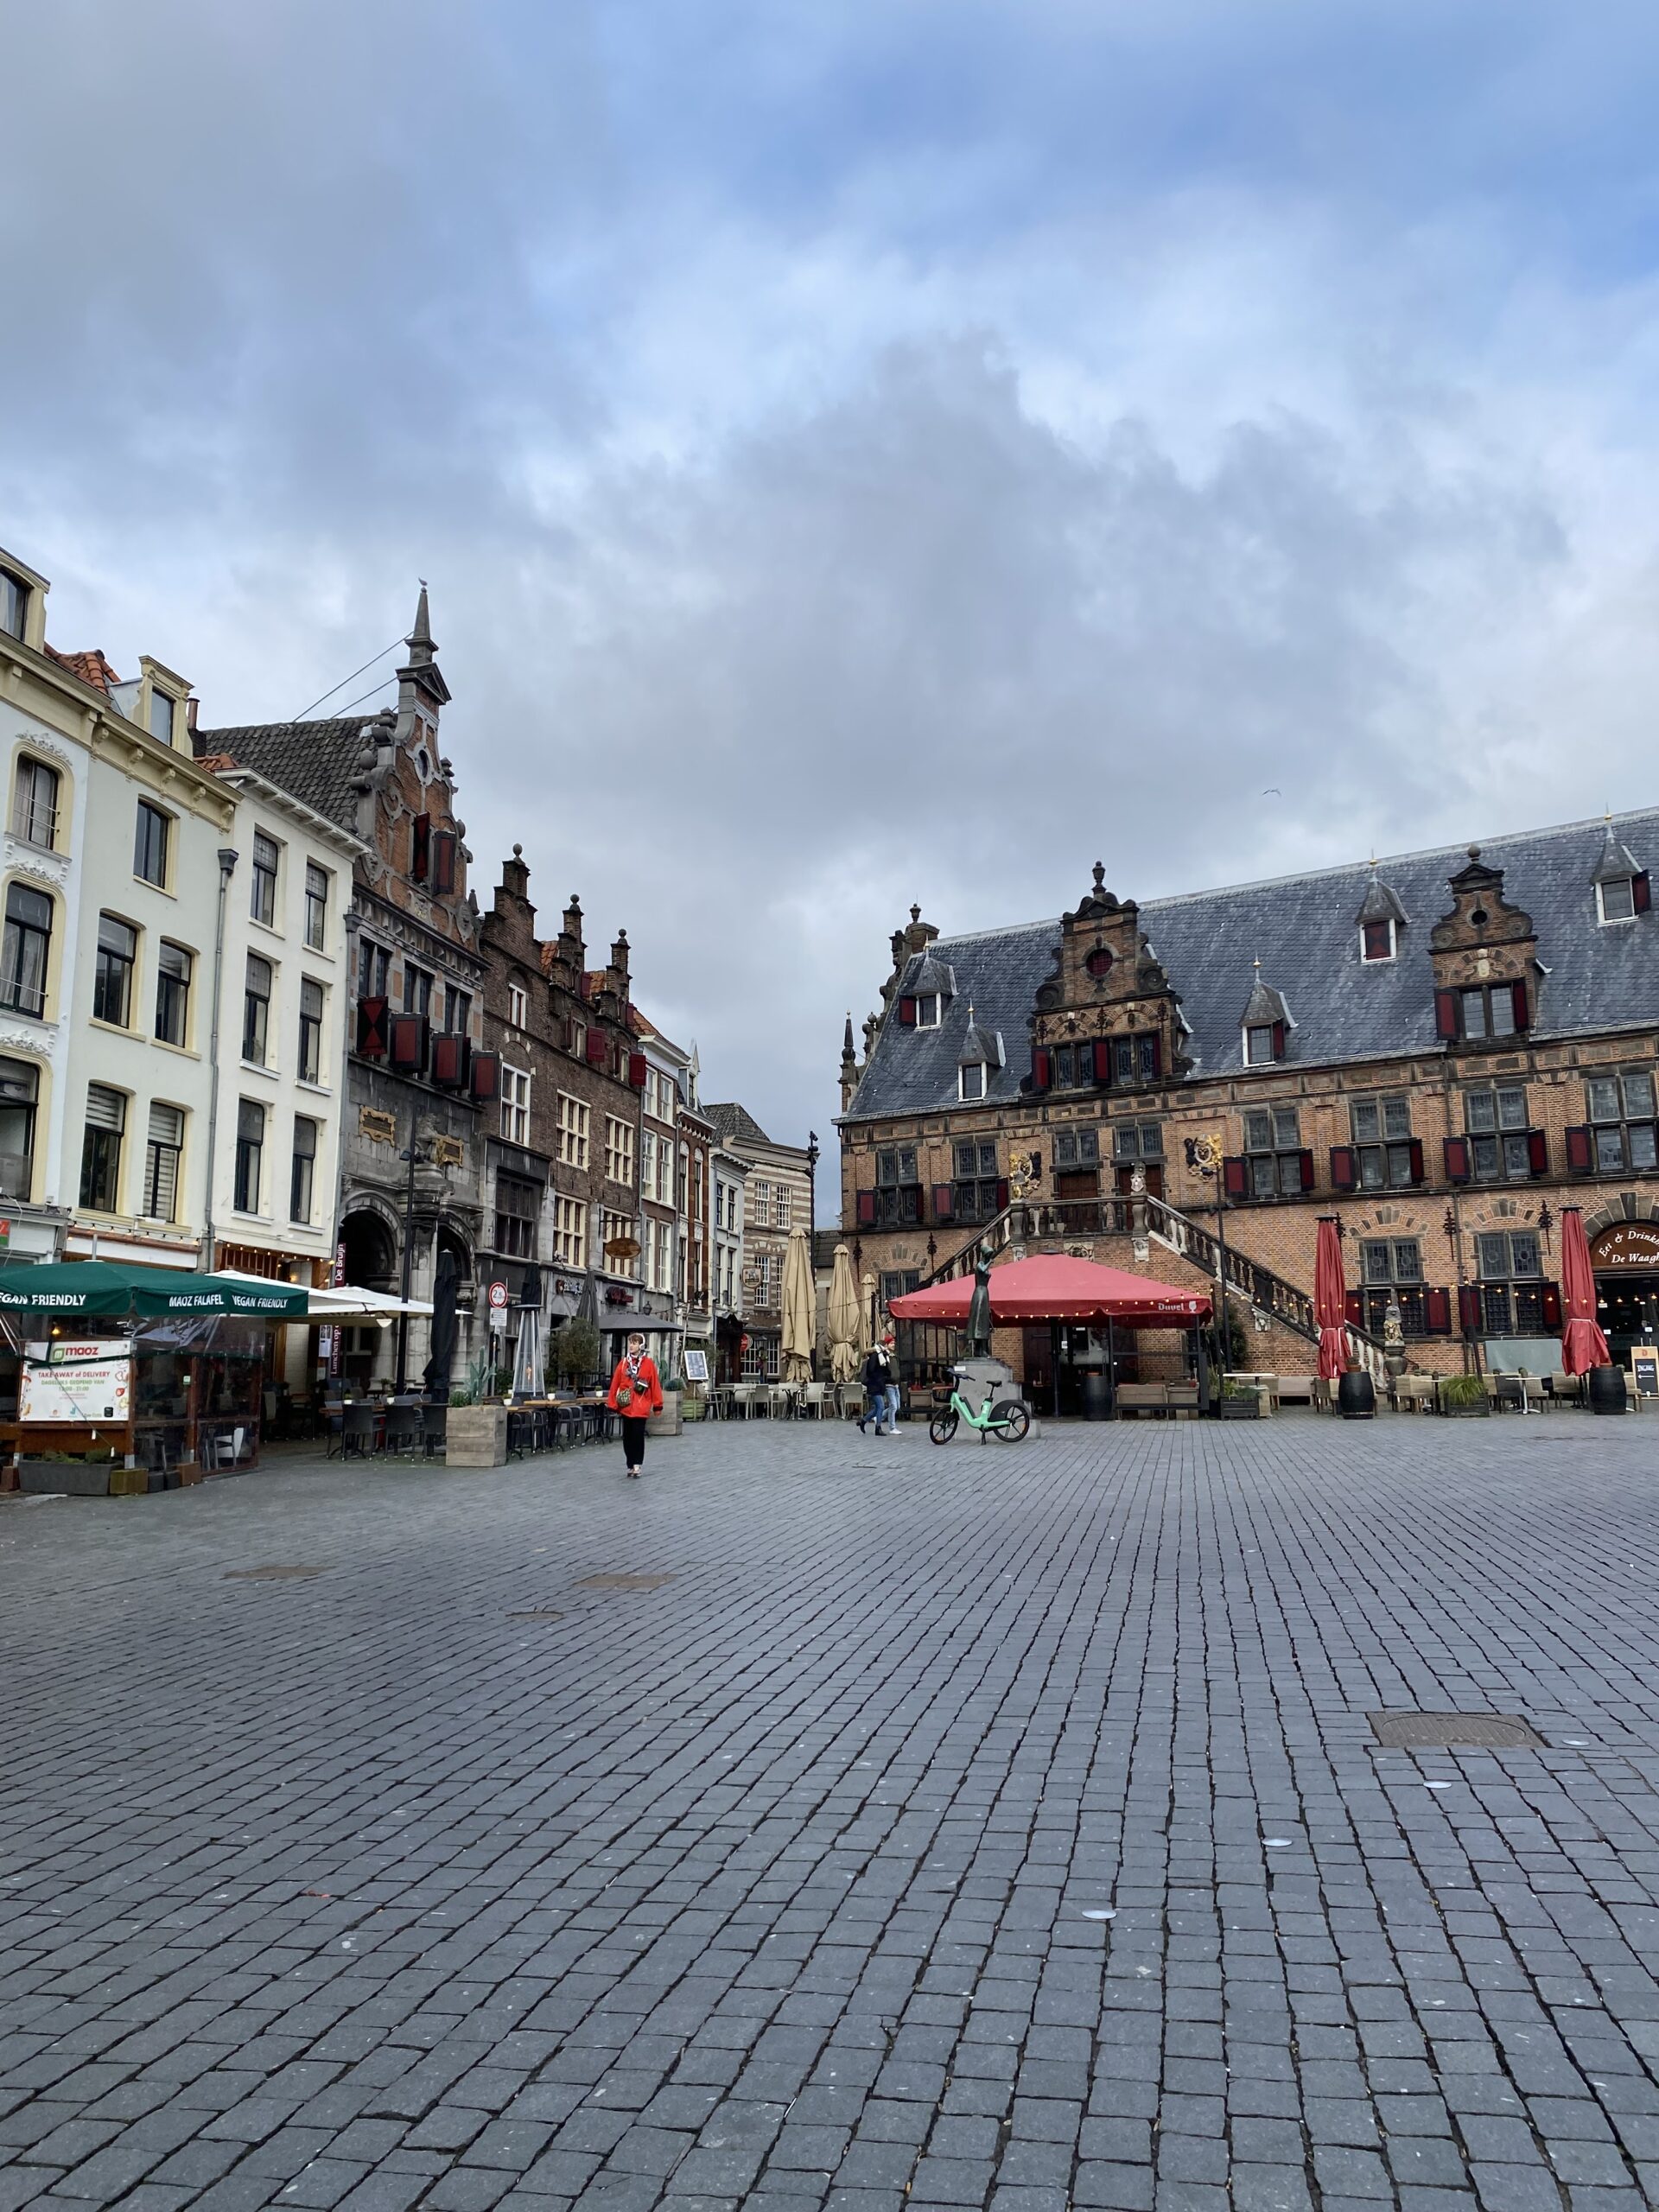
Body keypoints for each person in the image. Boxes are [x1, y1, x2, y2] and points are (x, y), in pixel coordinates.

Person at [606, 1332, 664, 1477]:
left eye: (635, 1343)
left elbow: (654, 1385)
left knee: (638, 1436)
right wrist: (612, 1401)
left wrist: (657, 1405)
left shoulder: (648, 1364)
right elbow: (615, 1383)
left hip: (641, 1406)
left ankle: (637, 1464)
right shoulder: (624, 1363)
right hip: (626, 1406)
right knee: (627, 1437)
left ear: (641, 1346)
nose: (631, 1345)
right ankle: (630, 1463)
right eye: (630, 1342)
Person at [857, 1341, 891, 1434]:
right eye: (886, 1346)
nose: (887, 1348)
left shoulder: (883, 1356)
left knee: (877, 1408)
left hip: (879, 1385)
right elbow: (871, 1371)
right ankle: (878, 1428)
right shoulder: (875, 1356)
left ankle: (863, 1421)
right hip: (874, 1385)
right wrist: (879, 1379)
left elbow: (886, 1370)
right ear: (883, 1346)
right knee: (881, 1406)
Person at [880, 1332, 903, 1433]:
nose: (893, 1345)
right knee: (893, 1406)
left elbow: (896, 1369)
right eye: (891, 1343)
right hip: (889, 1384)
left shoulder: (895, 1356)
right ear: (886, 1345)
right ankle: (892, 1428)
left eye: (894, 1343)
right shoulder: (885, 1356)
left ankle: (879, 1417)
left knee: (896, 1406)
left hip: (895, 1384)